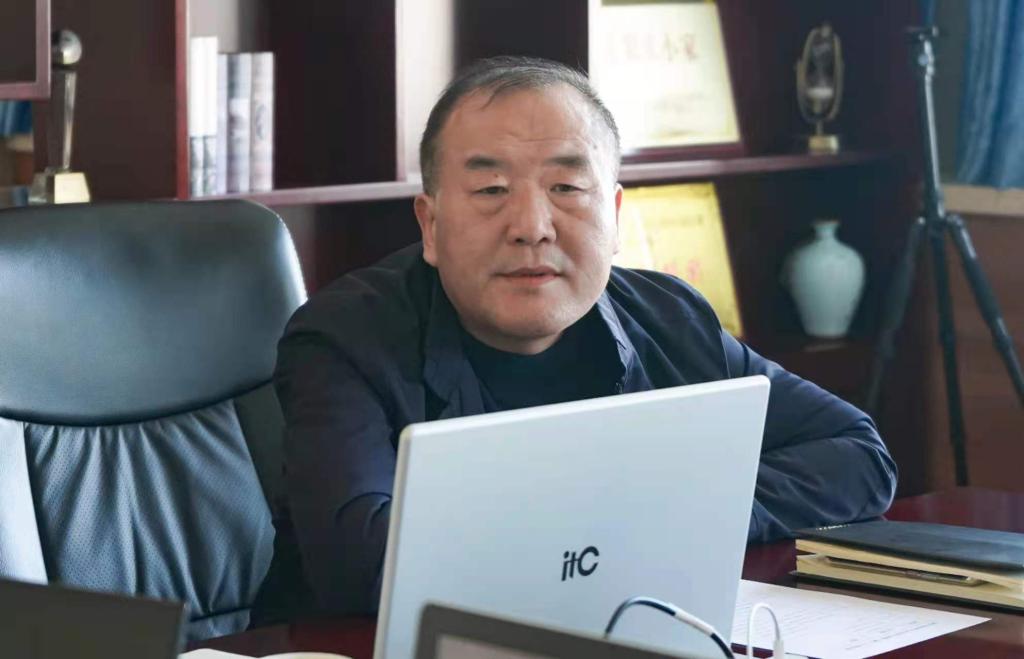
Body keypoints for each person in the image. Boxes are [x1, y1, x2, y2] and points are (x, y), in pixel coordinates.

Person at [269, 56, 897, 617]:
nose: (531, 226)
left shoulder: (669, 317)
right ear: (430, 226)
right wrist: (647, 520)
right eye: (491, 190)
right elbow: (365, 569)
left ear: (615, 216)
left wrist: (688, 515)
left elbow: (858, 455)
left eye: (566, 188)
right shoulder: (345, 340)